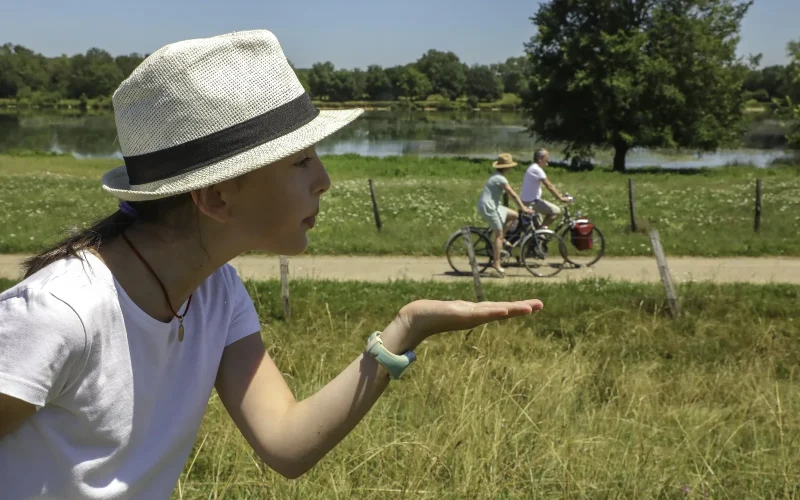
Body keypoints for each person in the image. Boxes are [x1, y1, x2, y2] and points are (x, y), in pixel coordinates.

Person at [0, 30, 543, 499]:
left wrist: (404, 330)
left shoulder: (217, 293)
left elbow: (286, 442)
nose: (324, 179)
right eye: (301, 160)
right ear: (215, 200)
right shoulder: (62, 312)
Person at [476, 153, 533, 276]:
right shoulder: (500, 179)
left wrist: (515, 209)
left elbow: (507, 195)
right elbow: (513, 194)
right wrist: (523, 208)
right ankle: (496, 263)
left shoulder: (498, 176)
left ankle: (502, 239)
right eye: (510, 166)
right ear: (506, 167)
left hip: (494, 205)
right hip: (489, 207)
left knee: (514, 215)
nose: (511, 168)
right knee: (498, 235)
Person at [520, 148, 572, 228]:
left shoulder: (533, 167)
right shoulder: (537, 169)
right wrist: (560, 198)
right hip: (532, 202)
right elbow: (549, 186)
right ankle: (541, 231)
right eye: (547, 158)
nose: (548, 160)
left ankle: (539, 234)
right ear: (540, 159)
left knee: (539, 234)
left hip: (528, 201)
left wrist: (560, 194)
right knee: (556, 211)